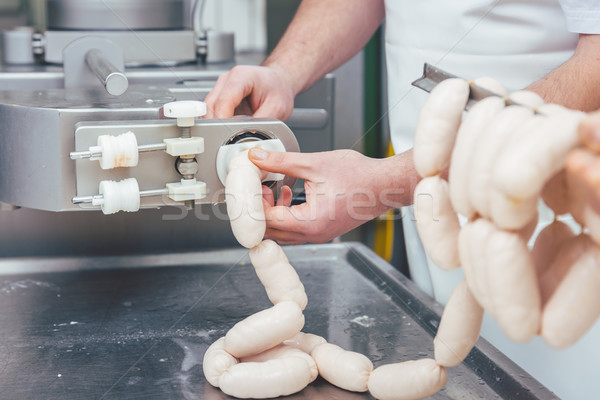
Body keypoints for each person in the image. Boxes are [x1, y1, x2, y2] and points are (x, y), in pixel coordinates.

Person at [206, 1, 600, 398]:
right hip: (427, 198)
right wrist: (282, 72)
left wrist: (385, 183)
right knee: (468, 374)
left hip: (559, 200)